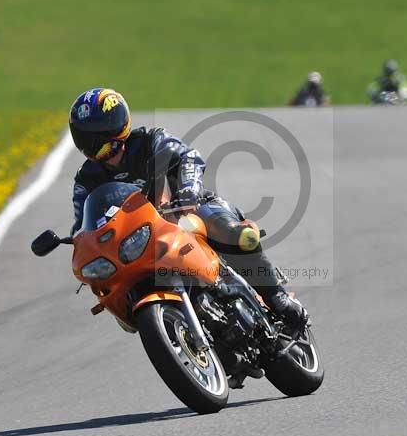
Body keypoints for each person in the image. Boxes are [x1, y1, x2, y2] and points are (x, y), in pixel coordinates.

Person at [68, 87, 308, 328]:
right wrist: (79, 243)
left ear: (121, 131)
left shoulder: (152, 141)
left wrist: (187, 192)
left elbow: (188, 157)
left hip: (188, 211)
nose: (101, 155)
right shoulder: (86, 180)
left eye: (105, 146)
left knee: (236, 234)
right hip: (142, 239)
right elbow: (82, 225)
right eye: (91, 149)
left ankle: (277, 297)